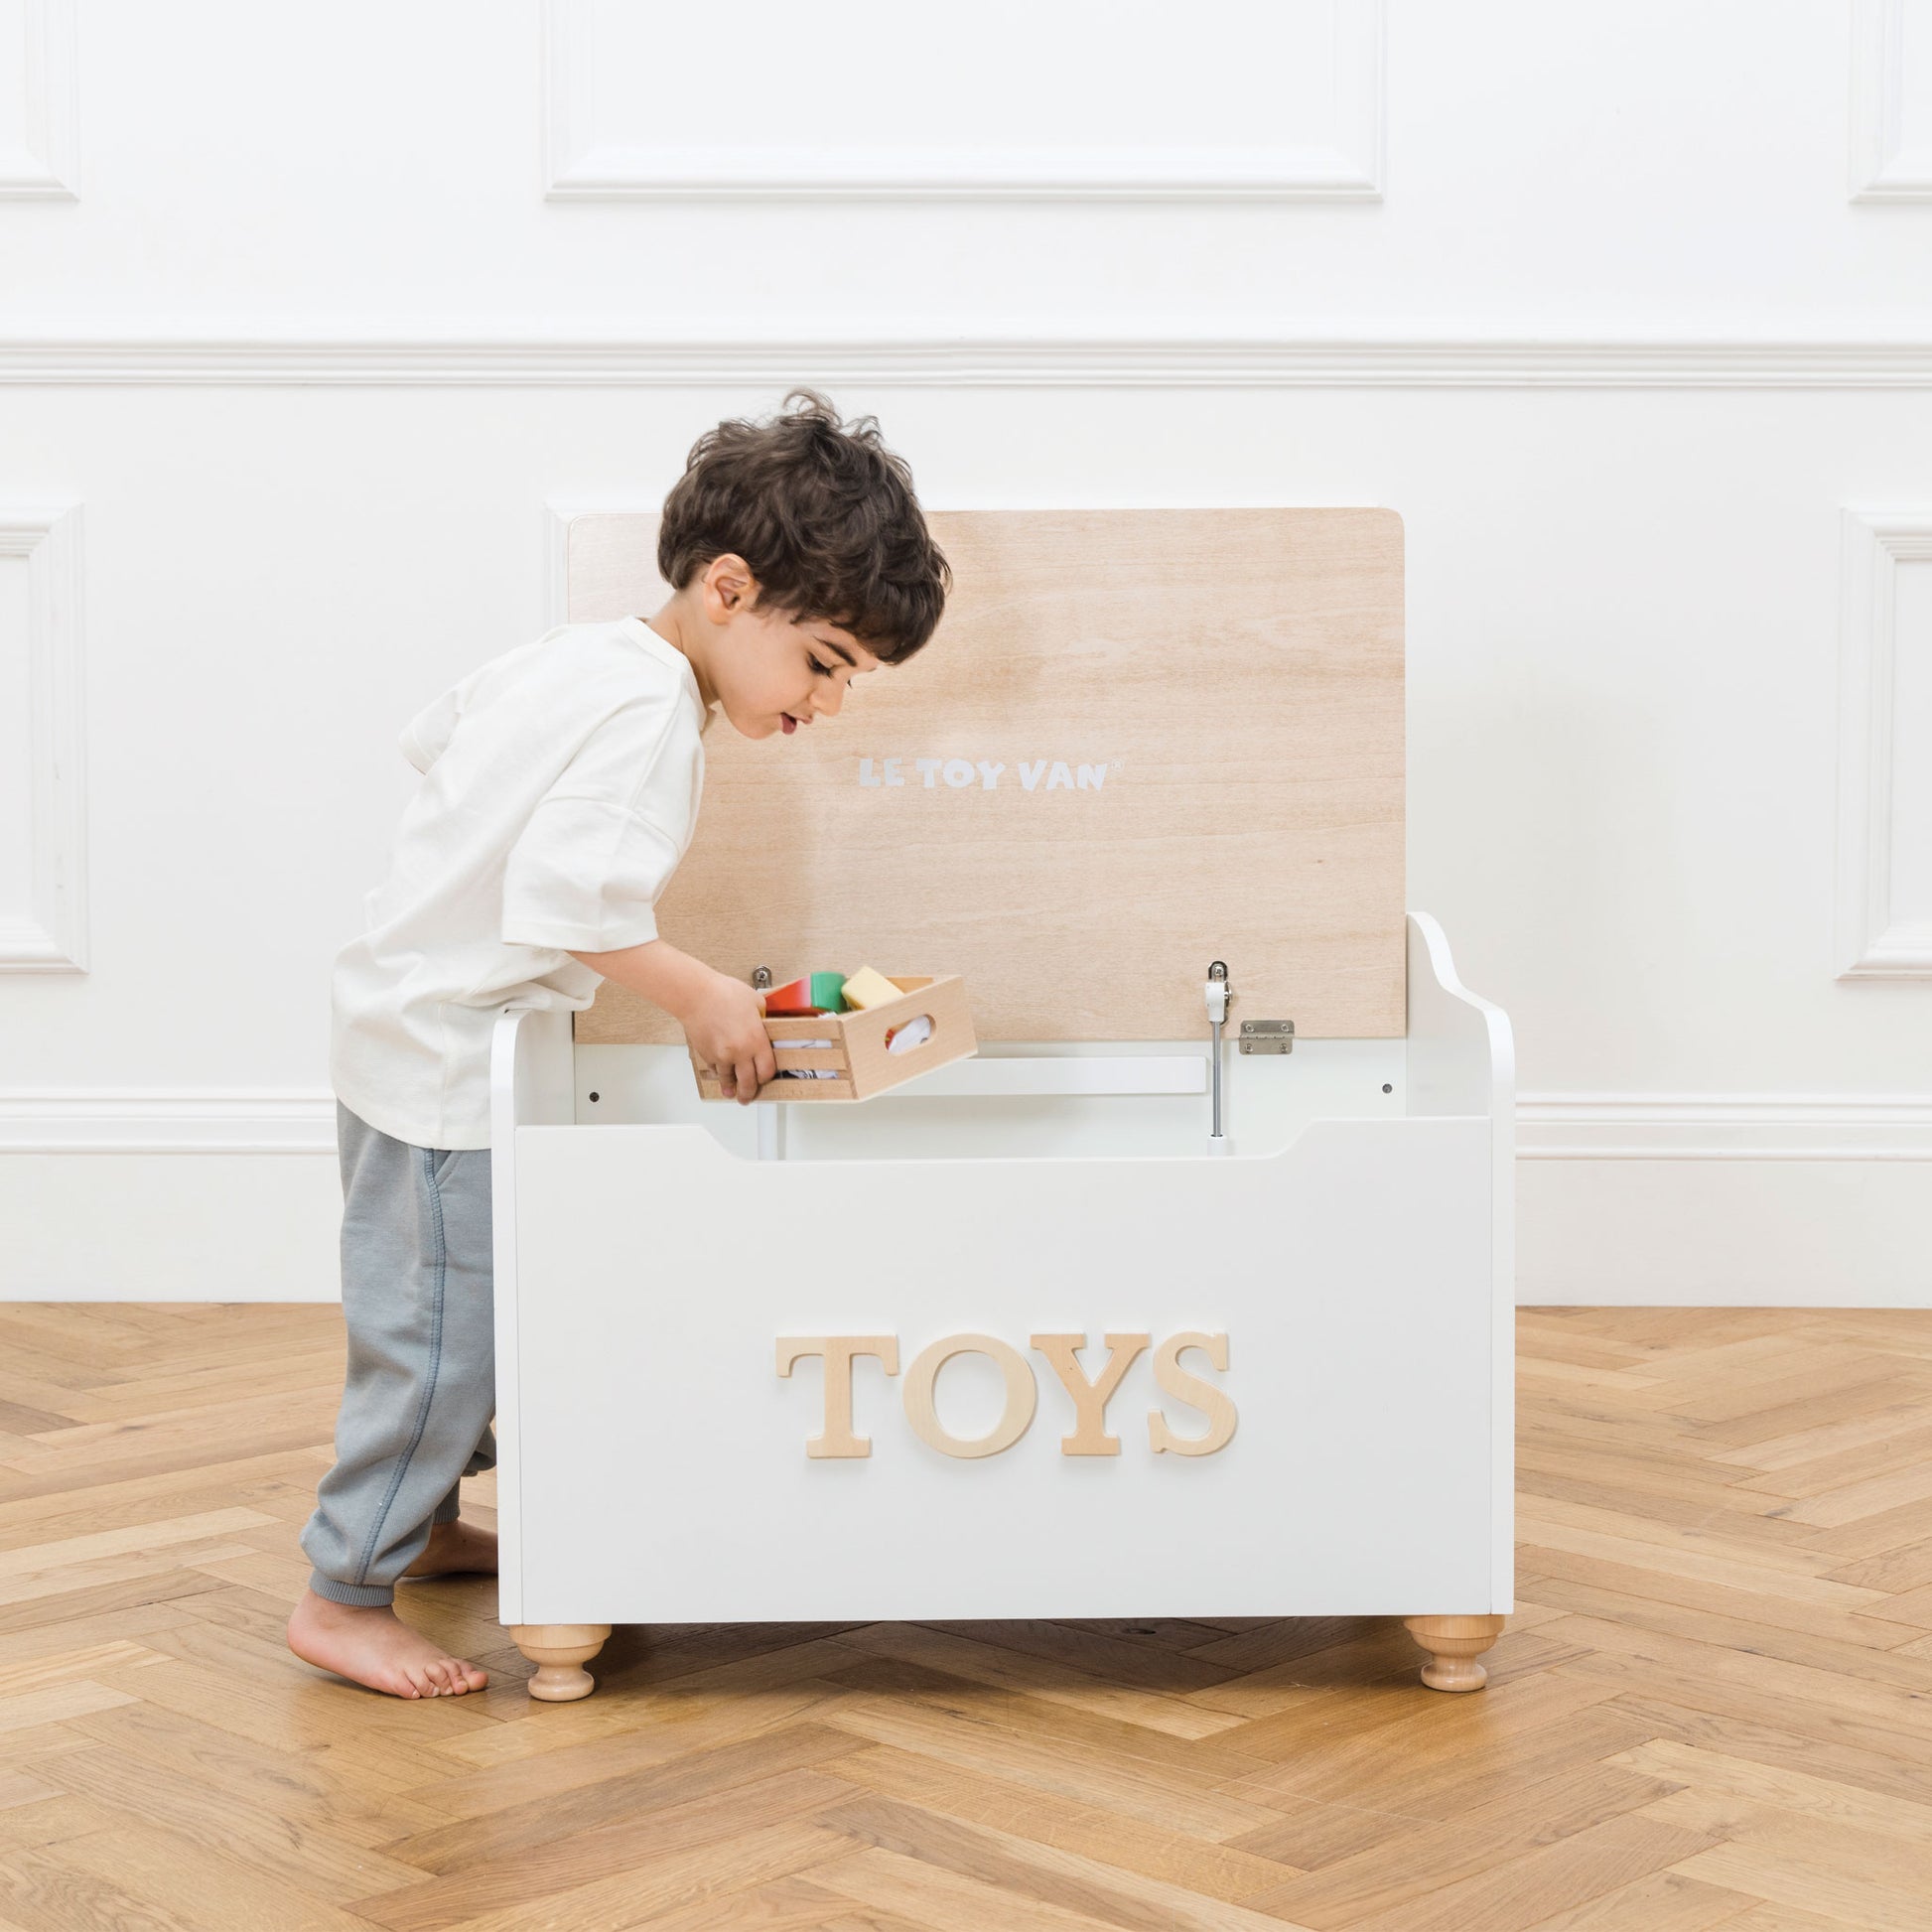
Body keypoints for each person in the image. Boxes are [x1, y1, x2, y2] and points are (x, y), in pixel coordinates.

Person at [286, 392, 949, 1697]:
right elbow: (565, 903)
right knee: (440, 1335)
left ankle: (411, 1528)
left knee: (451, 1304)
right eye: (822, 661)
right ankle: (341, 1590)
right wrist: (702, 994)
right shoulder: (648, 715)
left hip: (400, 1022)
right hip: (443, 1062)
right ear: (727, 587)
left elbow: (435, 745)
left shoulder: (578, 657)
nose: (828, 701)